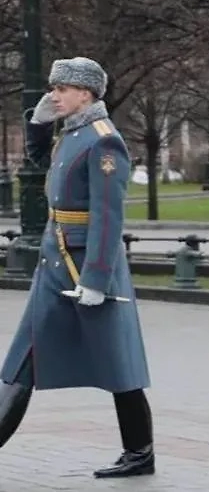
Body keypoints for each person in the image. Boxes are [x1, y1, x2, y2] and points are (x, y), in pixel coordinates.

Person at [0, 57, 154, 478]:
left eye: (62, 88)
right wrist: (38, 121)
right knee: (21, 359)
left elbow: (108, 215)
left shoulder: (103, 140)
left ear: (85, 93)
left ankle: (140, 452)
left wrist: (97, 279)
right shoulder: (71, 133)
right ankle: (140, 452)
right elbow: (36, 160)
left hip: (86, 265)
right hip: (56, 260)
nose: (55, 94)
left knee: (117, 360)